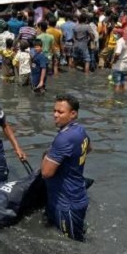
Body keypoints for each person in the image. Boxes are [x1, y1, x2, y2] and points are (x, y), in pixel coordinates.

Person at [41, 94, 91, 241]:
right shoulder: (80, 130)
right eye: (54, 110)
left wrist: (47, 155)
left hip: (67, 203)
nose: (55, 115)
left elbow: (46, 173)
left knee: (73, 244)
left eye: (60, 112)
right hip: (72, 194)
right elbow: (89, 148)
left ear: (73, 114)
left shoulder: (64, 138)